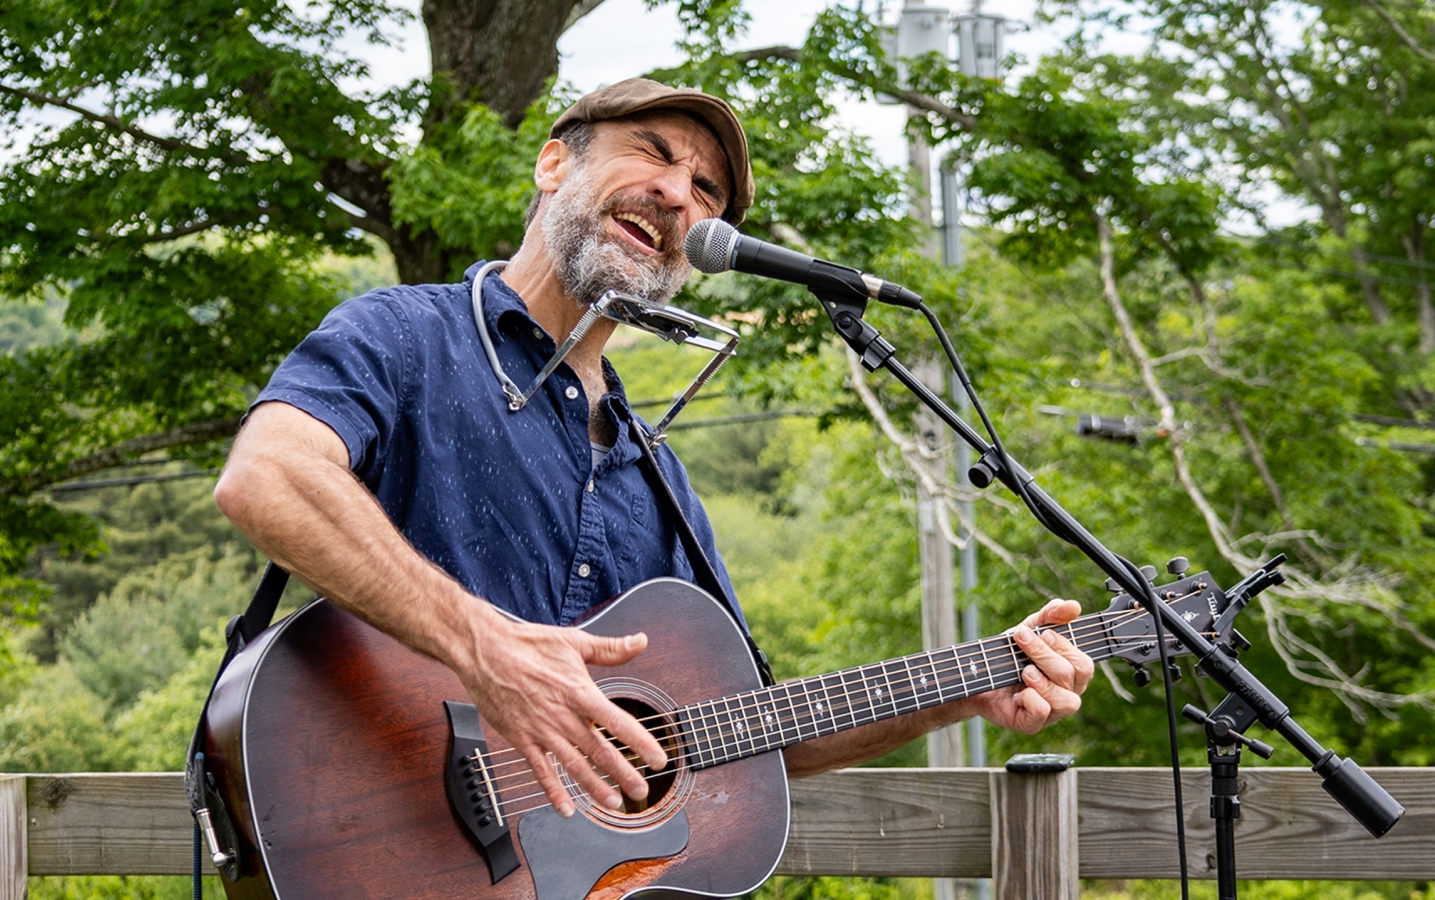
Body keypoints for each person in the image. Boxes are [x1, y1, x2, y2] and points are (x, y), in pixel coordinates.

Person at [214, 78, 1093, 822]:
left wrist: (964, 689)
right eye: (654, 153)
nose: (680, 197)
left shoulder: (655, 474)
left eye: (709, 192)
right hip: (367, 837)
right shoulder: (404, 333)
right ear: (555, 162)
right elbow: (268, 477)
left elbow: (745, 737)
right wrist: (489, 649)